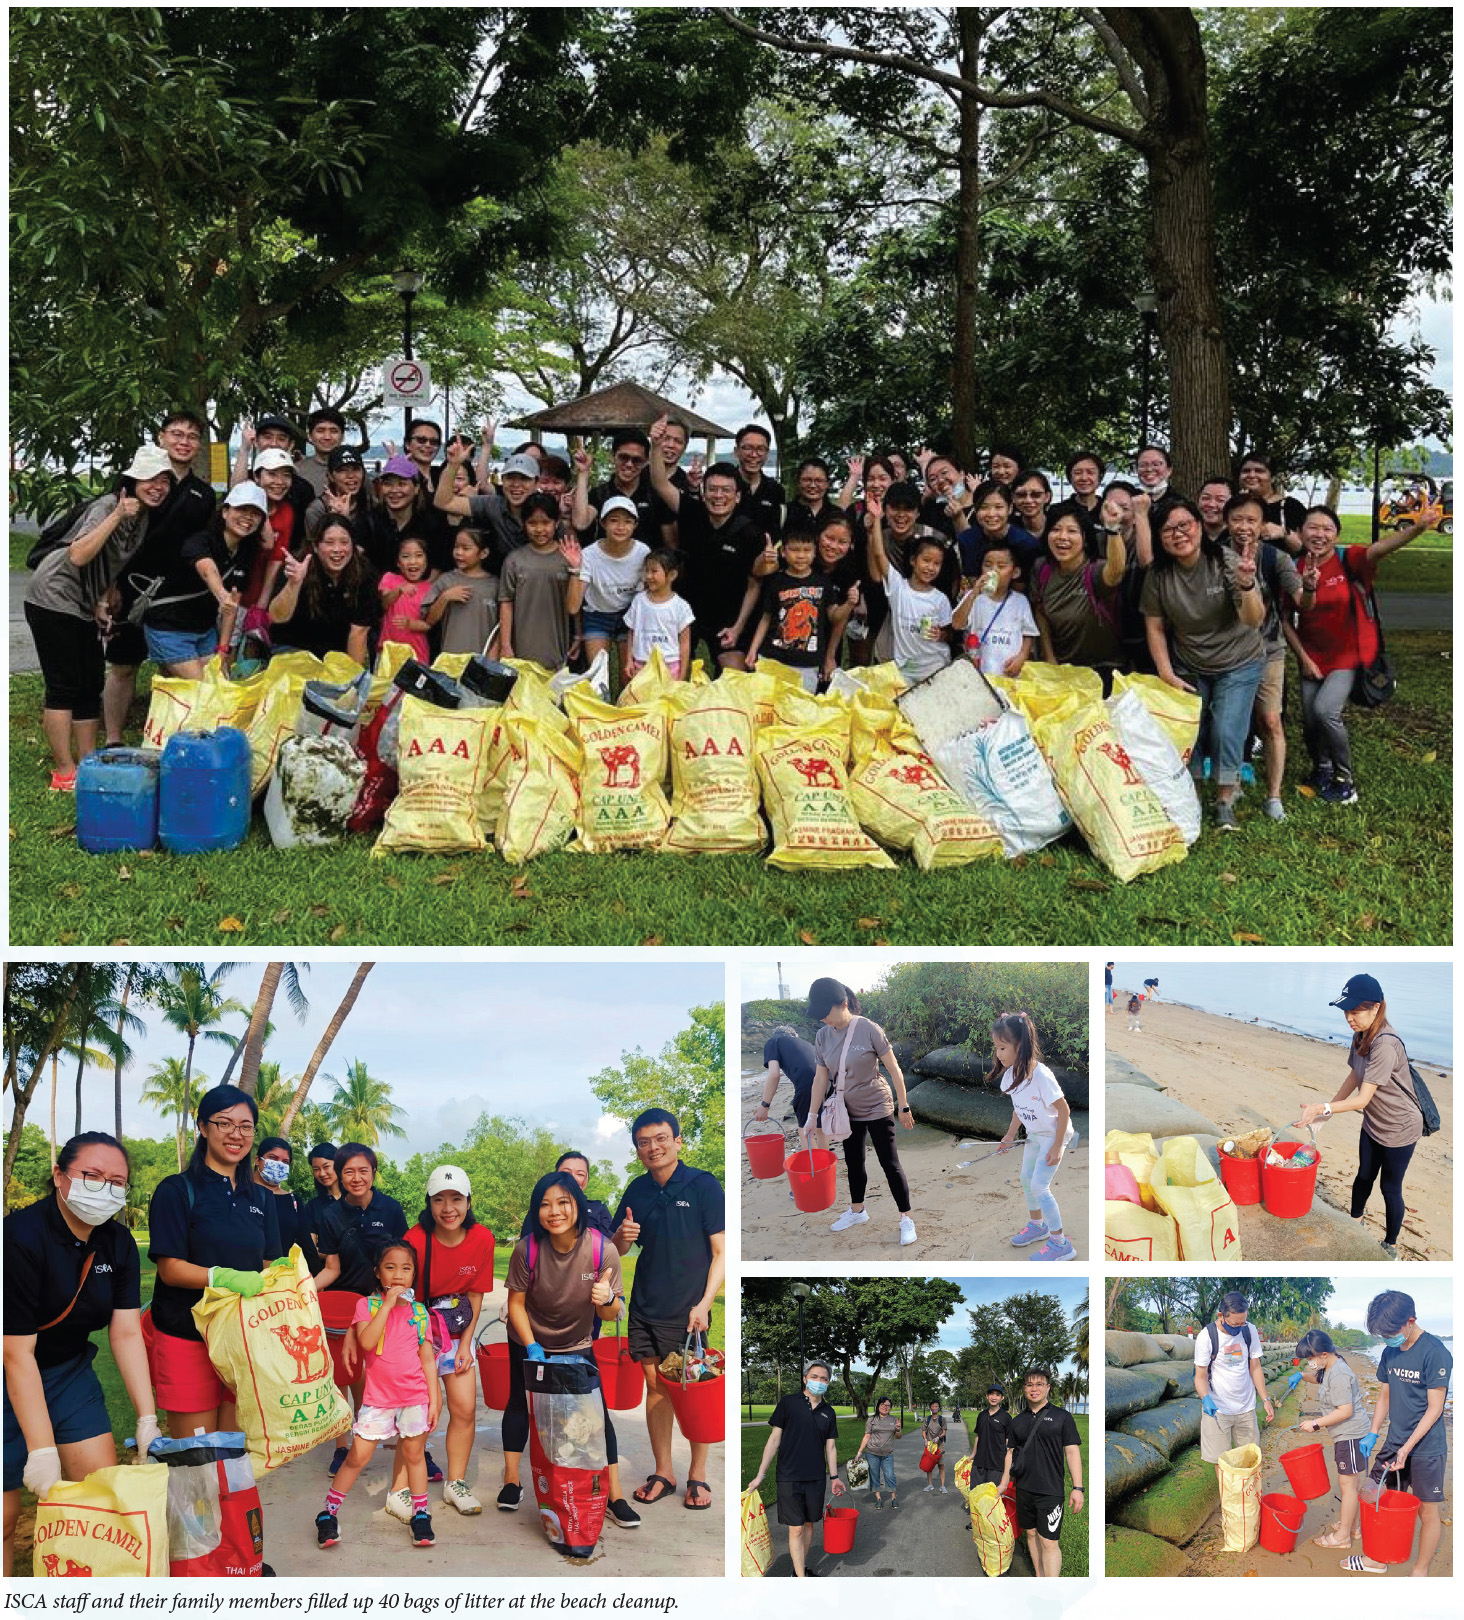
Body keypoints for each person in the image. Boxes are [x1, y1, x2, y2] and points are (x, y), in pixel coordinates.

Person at [3, 1133, 158, 1577]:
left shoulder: (119, 1243)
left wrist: (146, 1418)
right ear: (59, 1176)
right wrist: (41, 1449)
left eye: (117, 1181)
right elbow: (16, 1354)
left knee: (95, 1497)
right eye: (91, 1176)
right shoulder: (18, 1238)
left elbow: (126, 1333)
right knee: (6, 1518)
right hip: (9, 1368)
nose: (104, 1188)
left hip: (68, 1371)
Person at [498, 1170, 641, 1531]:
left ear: (577, 1204)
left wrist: (606, 1298)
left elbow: (613, 1312)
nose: (554, 1211)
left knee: (596, 1418)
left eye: (563, 1202)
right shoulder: (526, 1248)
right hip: (528, 1343)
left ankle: (615, 1493)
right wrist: (530, 1344)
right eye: (545, 1204)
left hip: (578, 1346)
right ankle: (512, 1479)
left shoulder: (601, 1249)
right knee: (519, 1405)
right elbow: (515, 1304)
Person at [24, 446, 174, 789]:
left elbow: (109, 565)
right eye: (151, 478)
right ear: (133, 479)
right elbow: (78, 555)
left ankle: (89, 762)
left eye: (164, 480)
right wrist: (117, 514)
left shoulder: (143, 518)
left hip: (82, 603)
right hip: (52, 595)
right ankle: (64, 771)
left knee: (91, 681)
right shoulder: (108, 506)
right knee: (64, 685)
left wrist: (102, 602)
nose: (158, 486)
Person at [147, 1085, 283, 1440]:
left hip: (243, 1338)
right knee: (197, 1455)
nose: (236, 1135)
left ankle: (230, 1499)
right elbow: (170, 1268)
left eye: (246, 1126)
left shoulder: (263, 1199)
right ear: (203, 1128)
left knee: (234, 1452)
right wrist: (221, 1277)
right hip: (187, 1336)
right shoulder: (177, 1190)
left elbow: (268, 1262)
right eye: (224, 1123)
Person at [611, 1109, 726, 1511]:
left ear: (678, 1141)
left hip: (688, 1311)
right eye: (644, 1142)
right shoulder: (637, 1191)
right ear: (638, 1150)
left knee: (692, 1393)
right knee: (656, 1389)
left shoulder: (702, 1186)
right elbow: (618, 1250)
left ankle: (698, 1474)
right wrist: (621, 1238)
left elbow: (721, 1252)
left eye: (661, 1138)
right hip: (645, 1305)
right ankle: (665, 1471)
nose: (653, 1147)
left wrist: (706, 1303)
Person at [1286, 501, 1437, 805]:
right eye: (1312, 527)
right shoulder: (1292, 567)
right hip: (1311, 656)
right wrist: (1303, 658)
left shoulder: (1348, 559)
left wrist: (1418, 527)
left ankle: (1345, 780)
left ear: (1336, 535)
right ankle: (1322, 770)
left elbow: (1379, 549)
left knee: (1326, 712)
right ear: (1300, 533)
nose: (1319, 534)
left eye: (1327, 529)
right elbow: (1287, 617)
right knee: (1310, 719)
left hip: (1346, 656)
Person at [1141, 500, 1266, 831]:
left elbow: (1253, 619)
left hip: (1239, 659)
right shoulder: (1158, 575)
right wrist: (1166, 672)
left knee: (1227, 728)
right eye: (1169, 529)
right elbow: (1154, 625)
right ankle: (1191, 793)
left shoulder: (1226, 562)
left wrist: (1247, 585)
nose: (1179, 534)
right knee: (1188, 729)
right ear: (1159, 536)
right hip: (1190, 661)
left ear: (1199, 525)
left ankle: (1225, 798)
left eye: (1186, 524)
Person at [379, 1166, 494, 1521]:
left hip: (458, 1332)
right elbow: (402, 1296)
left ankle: (455, 1482)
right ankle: (398, 1491)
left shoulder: (482, 1239)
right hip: (419, 1333)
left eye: (456, 1199)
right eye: (439, 1200)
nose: (448, 1208)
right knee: (419, 1414)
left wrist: (466, 1344)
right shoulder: (414, 1239)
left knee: (464, 1408)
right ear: (428, 1203)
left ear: (468, 1202)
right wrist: (421, 1351)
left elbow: (475, 1295)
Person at [101, 411, 219, 745]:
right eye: (176, 434)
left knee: (173, 669)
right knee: (124, 665)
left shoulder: (203, 494)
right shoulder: (133, 482)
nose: (184, 442)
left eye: (192, 436)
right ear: (161, 436)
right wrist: (109, 586)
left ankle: (169, 734)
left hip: (178, 596)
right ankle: (113, 738)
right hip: (130, 587)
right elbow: (112, 538)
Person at [315, 1239, 441, 1551]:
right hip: (378, 1400)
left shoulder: (421, 1313)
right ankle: (327, 1513)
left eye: (406, 1268)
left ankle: (420, 1513)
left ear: (414, 1276)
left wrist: (435, 1400)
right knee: (358, 1456)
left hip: (415, 1397)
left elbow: (427, 1361)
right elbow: (368, 1343)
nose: (398, 1274)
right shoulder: (367, 1306)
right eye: (390, 1267)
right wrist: (386, 1305)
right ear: (378, 1274)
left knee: (414, 1455)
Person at [1295, 974, 1425, 1258]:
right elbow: (1355, 1075)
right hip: (1374, 1122)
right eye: (1346, 1012)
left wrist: (1322, 1108)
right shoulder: (1361, 1035)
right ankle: (1355, 1224)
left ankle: (1389, 1245)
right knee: (1363, 1175)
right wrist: (1327, 1112)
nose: (1349, 1018)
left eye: (1355, 1011)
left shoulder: (1386, 1044)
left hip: (1400, 1128)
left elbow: (1363, 1099)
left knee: (1390, 1187)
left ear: (1376, 1008)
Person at [314, 1142, 409, 1473]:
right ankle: (344, 1444)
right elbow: (332, 1269)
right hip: (345, 1304)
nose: (356, 1178)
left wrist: (398, 1297)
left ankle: (411, 1443)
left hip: (385, 1303)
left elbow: (402, 1259)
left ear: (373, 1172)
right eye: (349, 1171)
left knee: (392, 1370)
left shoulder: (392, 1210)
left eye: (363, 1170)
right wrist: (300, 1291)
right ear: (339, 1175)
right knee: (345, 1373)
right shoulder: (330, 1215)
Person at [804, 977, 917, 1248]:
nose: (822, 1020)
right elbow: (820, 1079)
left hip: (877, 1105)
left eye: (825, 1013)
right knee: (853, 1162)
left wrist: (904, 1106)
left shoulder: (868, 1029)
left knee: (889, 1164)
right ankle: (858, 1212)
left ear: (843, 1004)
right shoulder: (822, 1037)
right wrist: (811, 1116)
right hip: (845, 1109)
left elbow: (893, 1069)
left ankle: (906, 1219)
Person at [646, 425, 769, 671]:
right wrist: (656, 445)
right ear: (703, 493)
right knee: (674, 674)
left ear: (737, 497)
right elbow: (659, 481)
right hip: (687, 611)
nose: (718, 496)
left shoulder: (750, 532)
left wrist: (738, 627)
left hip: (729, 617)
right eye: (712, 489)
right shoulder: (692, 512)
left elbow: (754, 584)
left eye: (726, 491)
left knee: (734, 678)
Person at [1351, 1290, 1451, 1576]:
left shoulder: (1435, 1352)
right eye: (1382, 1335)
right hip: (1394, 1441)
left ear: (1410, 1321)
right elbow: (1385, 1396)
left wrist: (1407, 1449)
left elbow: (1435, 1409)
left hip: (1426, 1448)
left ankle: (1419, 1571)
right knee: (1378, 1498)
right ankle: (1376, 1559)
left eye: (1391, 1332)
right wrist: (1373, 1432)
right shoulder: (1389, 1351)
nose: (1387, 1339)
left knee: (1426, 1511)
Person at [1221, 492, 1302, 821]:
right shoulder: (1213, 555)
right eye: (1237, 519)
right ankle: (1231, 785)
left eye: (1251, 520)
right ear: (1227, 522)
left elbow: (1300, 598)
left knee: (1270, 720)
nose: (1244, 526)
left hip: (1268, 648)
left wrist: (1308, 589)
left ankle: (1274, 795)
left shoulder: (1275, 557)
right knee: (1232, 723)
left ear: (1263, 523)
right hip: (1228, 652)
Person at [140, 482, 269, 677]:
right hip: (169, 626)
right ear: (225, 512)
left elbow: (233, 605)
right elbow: (208, 569)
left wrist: (224, 650)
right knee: (202, 688)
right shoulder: (201, 540)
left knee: (219, 682)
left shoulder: (247, 551)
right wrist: (221, 594)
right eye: (242, 509)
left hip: (205, 631)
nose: (248, 517)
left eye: (255, 513)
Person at [745, 1361, 845, 1577]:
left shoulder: (829, 1411)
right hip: (789, 1476)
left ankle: (798, 1568)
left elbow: (831, 1446)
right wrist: (760, 1475)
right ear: (805, 1378)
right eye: (815, 1377)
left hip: (816, 1477)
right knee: (797, 1527)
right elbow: (773, 1440)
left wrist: (835, 1476)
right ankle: (800, 1578)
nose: (819, 1382)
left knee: (809, 1525)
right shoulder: (788, 1403)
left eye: (824, 1379)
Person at [991, 1013, 1076, 1262]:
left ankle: (1061, 1243)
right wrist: (1008, 1135)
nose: (999, 1054)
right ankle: (1038, 1226)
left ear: (1021, 1046)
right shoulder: (1010, 1076)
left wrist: (1058, 1146)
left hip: (1053, 1134)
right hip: (1034, 1135)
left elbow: (1064, 1110)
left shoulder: (1041, 1076)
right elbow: (1019, 1107)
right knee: (1026, 1179)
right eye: (996, 1048)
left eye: (1003, 1048)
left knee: (1040, 1186)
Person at [1289, 1328, 1372, 1554]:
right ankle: (1352, 1526)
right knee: (1351, 1485)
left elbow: (1345, 1410)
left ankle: (1342, 1536)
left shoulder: (1339, 1373)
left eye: (1310, 1358)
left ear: (1323, 1354)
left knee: (1348, 1486)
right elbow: (1319, 1378)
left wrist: (1316, 1423)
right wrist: (1301, 1376)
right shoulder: (1330, 1366)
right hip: (1346, 1435)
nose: (1309, 1362)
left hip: (1351, 1434)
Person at [1029, 507, 1128, 687]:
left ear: (1085, 538)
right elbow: (1040, 612)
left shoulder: (1095, 571)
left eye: (1072, 531)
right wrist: (1050, 660)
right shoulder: (1041, 569)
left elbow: (1116, 571)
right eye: (1056, 529)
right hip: (1061, 670)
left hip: (1104, 671)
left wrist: (1113, 529)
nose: (1062, 537)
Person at [998, 1369, 1083, 1578]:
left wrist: (1078, 1488)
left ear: (1048, 1388)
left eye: (1039, 1384)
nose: (1034, 1389)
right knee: (1031, 1534)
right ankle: (1039, 1577)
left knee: (1049, 1541)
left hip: (1050, 1490)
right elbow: (1010, 1453)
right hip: (1024, 1488)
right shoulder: (1016, 1421)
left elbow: (1072, 1452)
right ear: (1024, 1389)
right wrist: (1003, 1483)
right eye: (1029, 1385)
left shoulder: (1062, 1417)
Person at [1193, 1290, 1274, 1505]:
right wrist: (1205, 1398)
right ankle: (1231, 1506)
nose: (1239, 1327)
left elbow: (1255, 1367)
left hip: (1246, 1407)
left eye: (1243, 1323)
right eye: (1235, 1324)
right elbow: (1200, 1376)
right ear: (1221, 1315)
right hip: (1218, 1409)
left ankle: (1249, 1504)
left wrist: (1265, 1399)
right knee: (1223, 1463)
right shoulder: (1206, 1337)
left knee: (1249, 1460)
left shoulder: (1249, 1331)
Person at [745, 529, 852, 693]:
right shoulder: (776, 581)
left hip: (808, 663)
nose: (801, 556)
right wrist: (753, 651)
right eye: (794, 550)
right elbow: (766, 618)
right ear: (783, 552)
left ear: (815, 552)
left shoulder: (823, 583)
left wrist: (849, 604)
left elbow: (834, 617)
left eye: (807, 550)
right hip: (773, 658)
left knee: (801, 709)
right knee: (767, 704)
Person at [267, 515, 381, 665]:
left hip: (337, 654)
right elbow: (277, 617)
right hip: (292, 650)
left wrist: (353, 678)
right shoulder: (297, 565)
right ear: (315, 546)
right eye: (329, 542)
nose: (337, 550)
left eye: (344, 542)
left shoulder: (365, 573)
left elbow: (358, 633)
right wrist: (294, 583)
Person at [863, 491, 949, 685]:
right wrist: (876, 519)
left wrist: (941, 634)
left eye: (936, 564)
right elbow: (878, 555)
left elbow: (949, 631)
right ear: (913, 561)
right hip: (905, 670)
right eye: (926, 561)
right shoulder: (897, 588)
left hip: (936, 666)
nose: (930, 567)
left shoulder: (940, 598)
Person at [562, 486, 649, 676]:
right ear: (603, 523)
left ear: (635, 525)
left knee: (631, 677)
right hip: (597, 616)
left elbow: (650, 594)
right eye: (614, 521)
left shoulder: (643, 553)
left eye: (627, 521)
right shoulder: (589, 555)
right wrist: (576, 569)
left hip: (630, 616)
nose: (620, 527)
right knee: (598, 675)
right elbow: (572, 607)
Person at [498, 493, 573, 670]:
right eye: (533, 523)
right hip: (522, 646)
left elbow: (575, 603)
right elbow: (506, 603)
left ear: (556, 523)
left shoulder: (568, 558)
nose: (539, 529)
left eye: (546, 523)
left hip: (557, 644)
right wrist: (505, 644)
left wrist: (577, 636)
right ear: (524, 524)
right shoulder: (514, 560)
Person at [435, 442, 539, 565]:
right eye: (510, 478)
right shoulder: (492, 504)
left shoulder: (546, 508)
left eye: (524, 478)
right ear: (503, 480)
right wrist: (453, 465)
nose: (516, 485)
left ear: (536, 483)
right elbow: (444, 502)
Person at [960, 537, 1038, 677]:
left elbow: (1029, 634)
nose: (993, 571)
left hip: (1008, 672)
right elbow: (957, 624)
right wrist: (973, 594)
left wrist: (1022, 657)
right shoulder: (974, 598)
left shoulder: (1020, 601)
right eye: (988, 565)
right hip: (979, 672)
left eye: (1001, 566)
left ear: (1015, 572)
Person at [362, 453, 451, 574]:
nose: (394, 490)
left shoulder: (432, 522)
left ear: (416, 488)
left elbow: (439, 566)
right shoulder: (368, 521)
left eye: (402, 484)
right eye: (388, 484)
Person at [572, 430, 663, 545]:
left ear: (646, 462)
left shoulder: (654, 495)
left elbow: (670, 542)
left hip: (645, 560)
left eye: (637, 460)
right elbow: (580, 523)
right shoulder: (600, 494)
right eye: (623, 457)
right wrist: (583, 473)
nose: (629, 464)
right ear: (612, 457)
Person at [422, 528, 499, 656]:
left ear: (483, 553)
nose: (458, 552)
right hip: (449, 660)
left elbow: (504, 625)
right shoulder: (446, 580)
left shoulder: (495, 585)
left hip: (483, 662)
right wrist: (445, 597)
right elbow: (428, 621)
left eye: (465, 548)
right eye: (456, 547)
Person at [622, 549, 695, 680]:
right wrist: (629, 660)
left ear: (672, 575)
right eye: (646, 571)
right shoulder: (639, 601)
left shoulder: (681, 607)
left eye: (654, 571)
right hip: (642, 666)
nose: (648, 576)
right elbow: (632, 632)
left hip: (669, 667)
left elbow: (685, 644)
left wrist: (682, 675)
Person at [751, 1023, 821, 1154]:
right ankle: (825, 1166)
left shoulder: (774, 1041)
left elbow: (774, 1074)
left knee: (805, 1130)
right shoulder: (805, 1043)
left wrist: (765, 1105)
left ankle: (815, 1170)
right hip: (826, 1081)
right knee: (820, 1128)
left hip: (808, 1084)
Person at [251, 1135, 315, 1269]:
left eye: (285, 1162)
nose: (279, 1164)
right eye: (273, 1158)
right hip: (242, 1279)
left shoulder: (293, 1201)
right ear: (257, 1160)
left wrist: (316, 1281)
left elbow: (307, 1247)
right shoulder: (240, 1192)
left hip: (281, 1279)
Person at [377, 535, 435, 662]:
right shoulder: (390, 578)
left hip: (417, 654)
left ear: (426, 561)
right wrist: (399, 590)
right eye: (405, 556)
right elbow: (384, 604)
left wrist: (410, 624)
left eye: (419, 555)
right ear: (398, 563)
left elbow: (428, 624)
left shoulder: (431, 589)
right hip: (388, 652)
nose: (413, 561)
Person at [1236, 454, 1306, 550]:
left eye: (1259, 471)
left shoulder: (1290, 507)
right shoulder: (1231, 505)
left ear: (1272, 477)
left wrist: (1283, 532)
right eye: (1246, 471)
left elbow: (1304, 548)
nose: (1251, 475)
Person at [732, 423, 786, 543]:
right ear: (736, 451)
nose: (754, 454)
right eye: (748, 448)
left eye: (760, 449)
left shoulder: (775, 490)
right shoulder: (724, 486)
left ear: (767, 453)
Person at [306, 446, 370, 541]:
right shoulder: (317, 510)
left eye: (356, 469)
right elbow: (316, 547)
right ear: (330, 476)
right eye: (343, 470)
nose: (351, 475)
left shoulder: (369, 503)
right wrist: (338, 519)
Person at [853, 1396, 901, 1509]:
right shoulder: (871, 1420)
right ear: (878, 1406)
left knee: (890, 1475)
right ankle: (878, 1499)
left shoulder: (893, 1420)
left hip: (887, 1454)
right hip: (872, 1453)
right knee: (875, 1476)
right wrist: (859, 1452)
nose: (885, 1407)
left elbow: (898, 1437)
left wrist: (898, 1429)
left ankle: (893, 1498)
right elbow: (866, 1436)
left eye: (888, 1405)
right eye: (883, 1405)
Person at [554, 1152, 616, 1239]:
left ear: (587, 1180)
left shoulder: (599, 1209)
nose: (572, 1178)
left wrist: (622, 1236)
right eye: (566, 1173)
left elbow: (611, 1246)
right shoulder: (542, 1208)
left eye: (580, 1174)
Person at [302, 1141, 341, 1272]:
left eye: (326, 1167)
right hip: (325, 1277)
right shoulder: (313, 1206)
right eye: (316, 1169)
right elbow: (311, 1249)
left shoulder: (354, 1199)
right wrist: (341, 1253)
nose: (322, 1173)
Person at [295, 407, 348, 497]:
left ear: (342, 437)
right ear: (310, 436)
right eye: (320, 431)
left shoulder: (355, 471)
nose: (327, 437)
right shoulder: (296, 471)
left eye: (333, 431)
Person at [970, 1385, 1012, 1490]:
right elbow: (978, 1436)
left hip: (996, 1464)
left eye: (997, 1395)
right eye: (991, 1394)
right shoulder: (981, 1415)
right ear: (987, 1396)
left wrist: (1007, 1465)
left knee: (992, 1498)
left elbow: (1008, 1442)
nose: (994, 1397)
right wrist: (973, 1454)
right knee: (976, 1495)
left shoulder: (1006, 1417)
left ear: (1002, 1398)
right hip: (979, 1462)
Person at [922, 1399, 948, 1494]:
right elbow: (924, 1431)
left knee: (941, 1465)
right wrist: (925, 1439)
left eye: (936, 1406)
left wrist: (938, 1437)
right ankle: (930, 1484)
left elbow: (944, 1432)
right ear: (930, 1408)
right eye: (932, 1406)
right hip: (929, 1446)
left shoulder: (942, 1419)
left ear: (939, 1408)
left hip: (939, 1445)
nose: (934, 1408)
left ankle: (942, 1486)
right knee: (929, 1465)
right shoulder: (926, 1419)